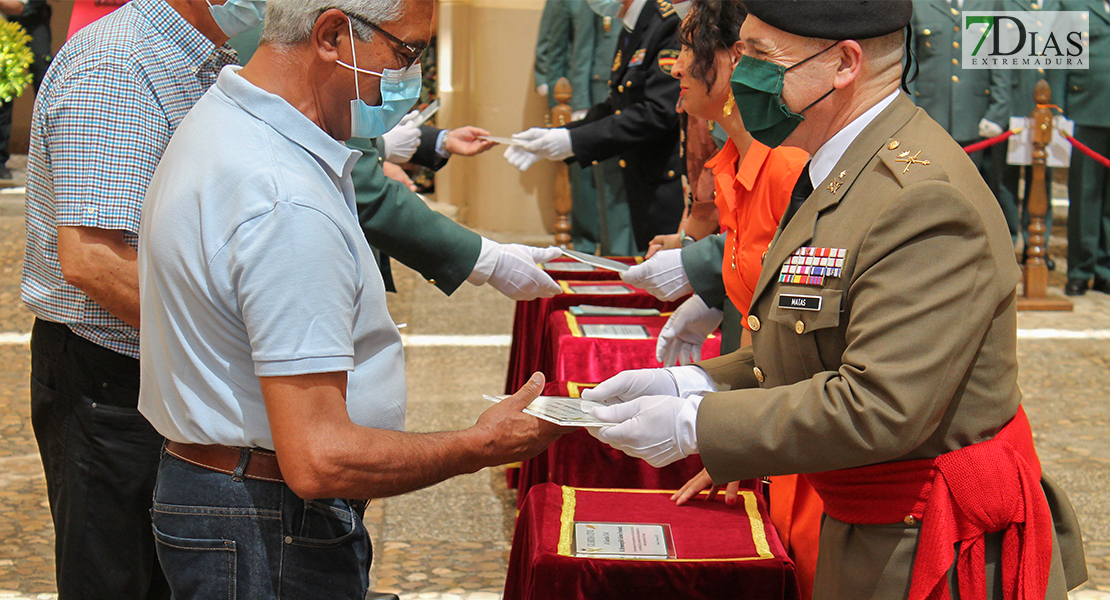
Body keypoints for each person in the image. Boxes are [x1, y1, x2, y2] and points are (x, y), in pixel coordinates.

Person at [21, 1, 559, 598]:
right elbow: (319, 457)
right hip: (261, 512)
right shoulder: (280, 197)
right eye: (405, 53)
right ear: (331, 35)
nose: (408, 75)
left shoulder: (229, 109)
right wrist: (479, 445)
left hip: (229, 488)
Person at [580, 1, 1087, 598]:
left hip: (924, 550)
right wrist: (694, 384)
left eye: (763, 56)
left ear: (844, 63)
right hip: (865, 520)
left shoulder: (919, 199)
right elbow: (809, 337)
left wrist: (696, 423)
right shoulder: (843, 166)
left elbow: (879, 404)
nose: (742, 74)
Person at [651, 2, 818, 597]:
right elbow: (755, 314)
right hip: (767, 418)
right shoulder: (732, 162)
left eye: (689, 46)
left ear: (729, 62)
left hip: (805, 431)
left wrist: (726, 427)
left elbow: (806, 336)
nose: (674, 65)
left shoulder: (789, 167)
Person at [505, 0, 685, 253]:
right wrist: (563, 133)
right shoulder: (635, 22)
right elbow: (617, 103)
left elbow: (658, 111)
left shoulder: (666, 22)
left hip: (668, 181)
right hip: (645, 177)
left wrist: (571, 142)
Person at [533, 0, 634, 255]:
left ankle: (620, 253)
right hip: (598, 92)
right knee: (590, 182)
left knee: (619, 186)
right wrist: (578, 101)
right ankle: (586, 249)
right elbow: (580, 47)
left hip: (634, 90)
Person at [1059, 0, 1110, 296]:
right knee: (1083, 198)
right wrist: (1057, 110)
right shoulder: (1076, 5)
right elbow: (1061, 58)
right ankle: (1080, 270)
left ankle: (1106, 271)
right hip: (1086, 112)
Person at [0, 0, 51, 180]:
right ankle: (0, 160)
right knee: (4, 90)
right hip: (4, 22)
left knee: (46, 81)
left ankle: (52, 157)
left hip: (34, 15)